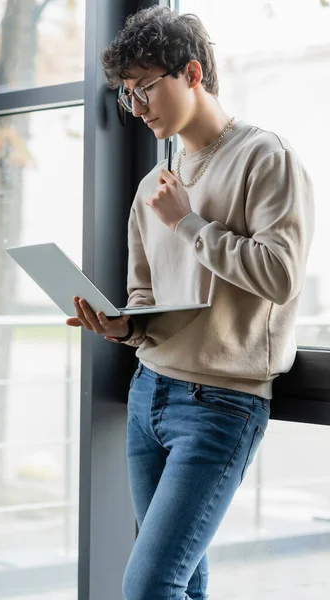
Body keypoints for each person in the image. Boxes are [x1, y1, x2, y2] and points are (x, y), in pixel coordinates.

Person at [66, 6, 315, 600]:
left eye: (145, 87)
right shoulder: (152, 185)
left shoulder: (265, 157)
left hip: (221, 404)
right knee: (181, 584)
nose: (138, 107)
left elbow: (281, 276)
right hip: (148, 392)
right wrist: (124, 326)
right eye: (128, 95)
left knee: (149, 585)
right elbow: (146, 295)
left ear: (193, 73)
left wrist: (188, 224)